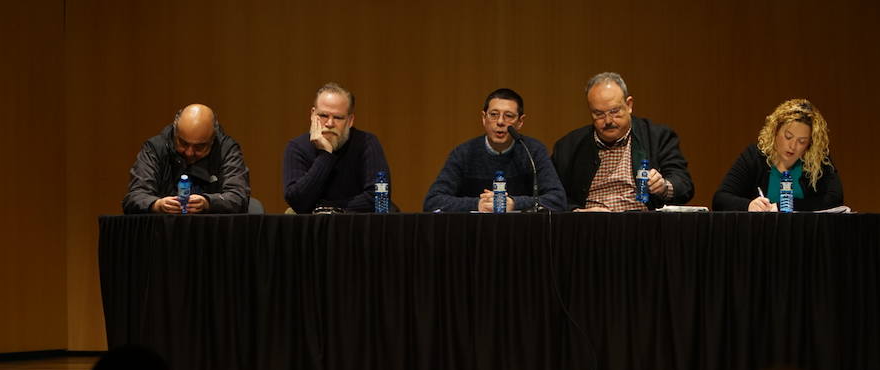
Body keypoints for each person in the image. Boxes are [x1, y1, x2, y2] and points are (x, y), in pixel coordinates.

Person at [552, 72, 694, 211]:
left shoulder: (657, 137)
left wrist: (663, 187)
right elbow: (552, 196)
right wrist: (577, 212)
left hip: (642, 225)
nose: (608, 121)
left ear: (629, 105)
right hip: (591, 228)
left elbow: (684, 184)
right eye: (599, 114)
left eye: (614, 111)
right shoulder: (568, 147)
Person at [423, 88, 566, 212]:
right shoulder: (464, 153)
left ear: (520, 122)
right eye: (493, 114)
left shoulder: (532, 151)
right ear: (484, 118)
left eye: (509, 116)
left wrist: (513, 203)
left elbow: (557, 200)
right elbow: (433, 201)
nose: (500, 122)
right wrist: (478, 204)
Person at [712, 99, 843, 212]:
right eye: (788, 137)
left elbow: (835, 198)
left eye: (802, 141)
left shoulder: (818, 159)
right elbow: (721, 199)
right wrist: (749, 205)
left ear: (809, 143)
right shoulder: (755, 157)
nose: (793, 146)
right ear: (775, 132)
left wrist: (786, 206)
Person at [283, 82, 394, 213]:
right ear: (313, 115)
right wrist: (325, 155)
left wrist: (327, 209)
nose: (330, 123)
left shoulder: (367, 143)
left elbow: (380, 197)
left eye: (338, 117)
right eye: (323, 116)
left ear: (350, 120)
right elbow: (297, 202)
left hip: (359, 225)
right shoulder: (297, 147)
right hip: (314, 229)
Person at [123, 104, 250, 214]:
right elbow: (134, 197)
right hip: (163, 231)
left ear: (213, 139)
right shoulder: (155, 148)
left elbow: (238, 197)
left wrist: (208, 202)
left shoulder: (226, 150)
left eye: (199, 147)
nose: (189, 153)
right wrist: (156, 205)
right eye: (183, 144)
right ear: (175, 132)